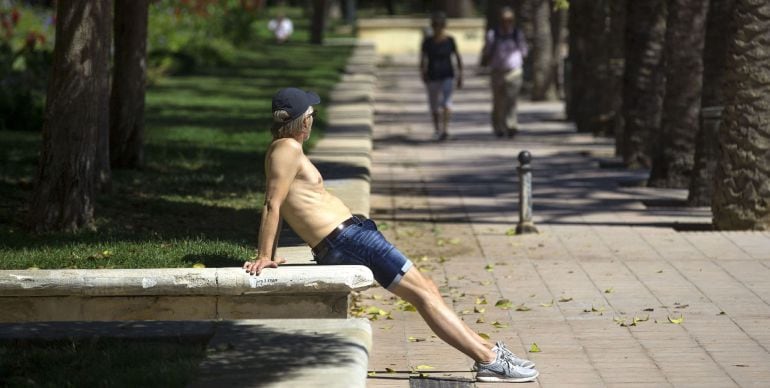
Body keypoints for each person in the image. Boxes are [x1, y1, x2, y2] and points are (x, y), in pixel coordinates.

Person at [243, 87, 540, 383]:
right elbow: (272, 203)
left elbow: (283, 203)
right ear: (301, 120)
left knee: (428, 287)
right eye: (311, 115)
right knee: (423, 295)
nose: (313, 121)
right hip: (347, 240)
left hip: (351, 237)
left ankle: (488, 349)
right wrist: (264, 256)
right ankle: (489, 361)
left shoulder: (284, 149)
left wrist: (269, 254)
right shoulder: (287, 149)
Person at [480, 6, 528, 138]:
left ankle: (511, 125)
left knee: (511, 100)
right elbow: (487, 51)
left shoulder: (517, 34)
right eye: (504, 20)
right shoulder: (493, 34)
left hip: (514, 71)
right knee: (498, 102)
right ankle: (499, 127)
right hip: (497, 72)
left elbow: (524, 51)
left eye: (510, 20)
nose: (507, 23)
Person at [420, 12, 463, 141]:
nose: (438, 28)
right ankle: (436, 129)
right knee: (434, 105)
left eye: (440, 25)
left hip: (447, 75)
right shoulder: (427, 42)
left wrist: (460, 74)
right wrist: (422, 73)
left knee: (446, 103)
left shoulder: (450, 41)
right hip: (432, 76)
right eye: (435, 25)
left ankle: (445, 129)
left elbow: (457, 57)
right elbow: (423, 59)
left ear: (444, 26)